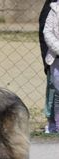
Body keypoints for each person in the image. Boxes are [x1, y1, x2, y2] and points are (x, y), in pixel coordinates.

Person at [39, 0, 57, 133]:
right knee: (54, 89)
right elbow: (46, 32)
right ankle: (53, 124)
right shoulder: (53, 8)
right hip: (55, 56)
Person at [43, 0, 59, 133]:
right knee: (58, 93)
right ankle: (57, 126)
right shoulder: (54, 9)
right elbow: (47, 32)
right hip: (57, 58)